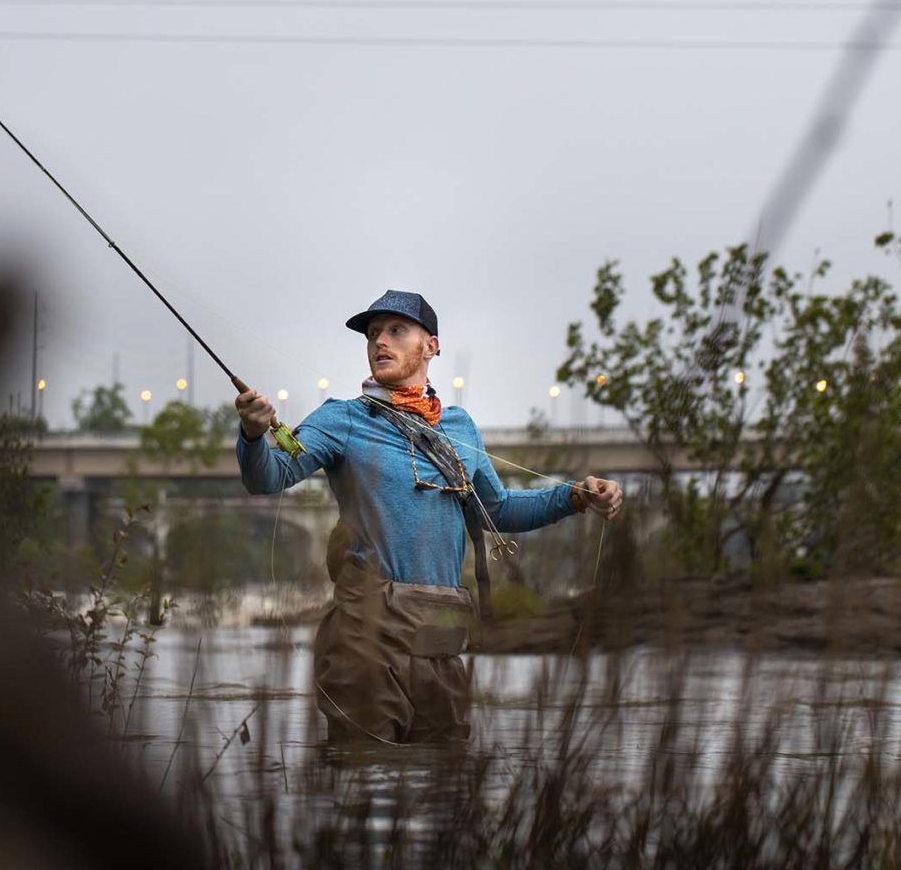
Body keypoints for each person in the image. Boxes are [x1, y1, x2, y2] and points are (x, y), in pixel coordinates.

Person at [235, 289, 623, 743]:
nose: (380, 342)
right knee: (367, 780)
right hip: (367, 638)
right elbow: (269, 477)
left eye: (396, 331)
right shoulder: (340, 419)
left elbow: (499, 510)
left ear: (431, 345)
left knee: (446, 785)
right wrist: (253, 434)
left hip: (441, 638)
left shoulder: (460, 426)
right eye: (373, 334)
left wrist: (576, 496)